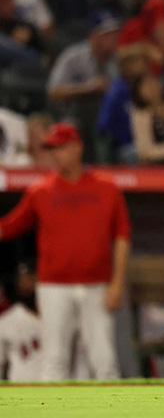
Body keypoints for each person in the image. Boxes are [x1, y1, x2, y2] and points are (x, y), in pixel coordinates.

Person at [0, 123, 131, 381]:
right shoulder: (40, 190)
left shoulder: (107, 187)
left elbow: (122, 236)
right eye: (52, 149)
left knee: (104, 358)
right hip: (54, 286)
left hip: (96, 284)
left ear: (77, 147)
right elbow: (10, 226)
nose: (56, 154)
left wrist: (117, 283)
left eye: (61, 147)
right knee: (55, 358)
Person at [46, 10, 121, 163]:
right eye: (107, 34)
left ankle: (107, 173)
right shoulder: (73, 56)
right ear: (94, 36)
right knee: (71, 126)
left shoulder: (119, 60)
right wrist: (88, 87)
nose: (113, 39)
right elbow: (53, 92)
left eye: (115, 34)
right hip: (75, 113)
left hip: (107, 115)